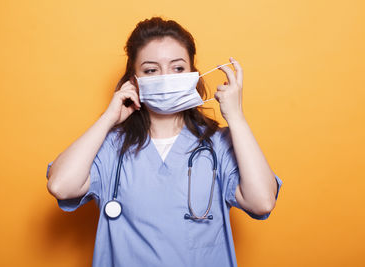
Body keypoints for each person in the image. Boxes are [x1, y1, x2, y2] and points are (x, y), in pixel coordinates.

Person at [46, 17, 282, 267]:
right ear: (133, 81)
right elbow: (61, 186)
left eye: (178, 68)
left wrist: (237, 118)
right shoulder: (111, 146)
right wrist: (108, 118)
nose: (166, 77)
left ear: (193, 75)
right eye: (151, 70)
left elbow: (262, 202)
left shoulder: (218, 145)